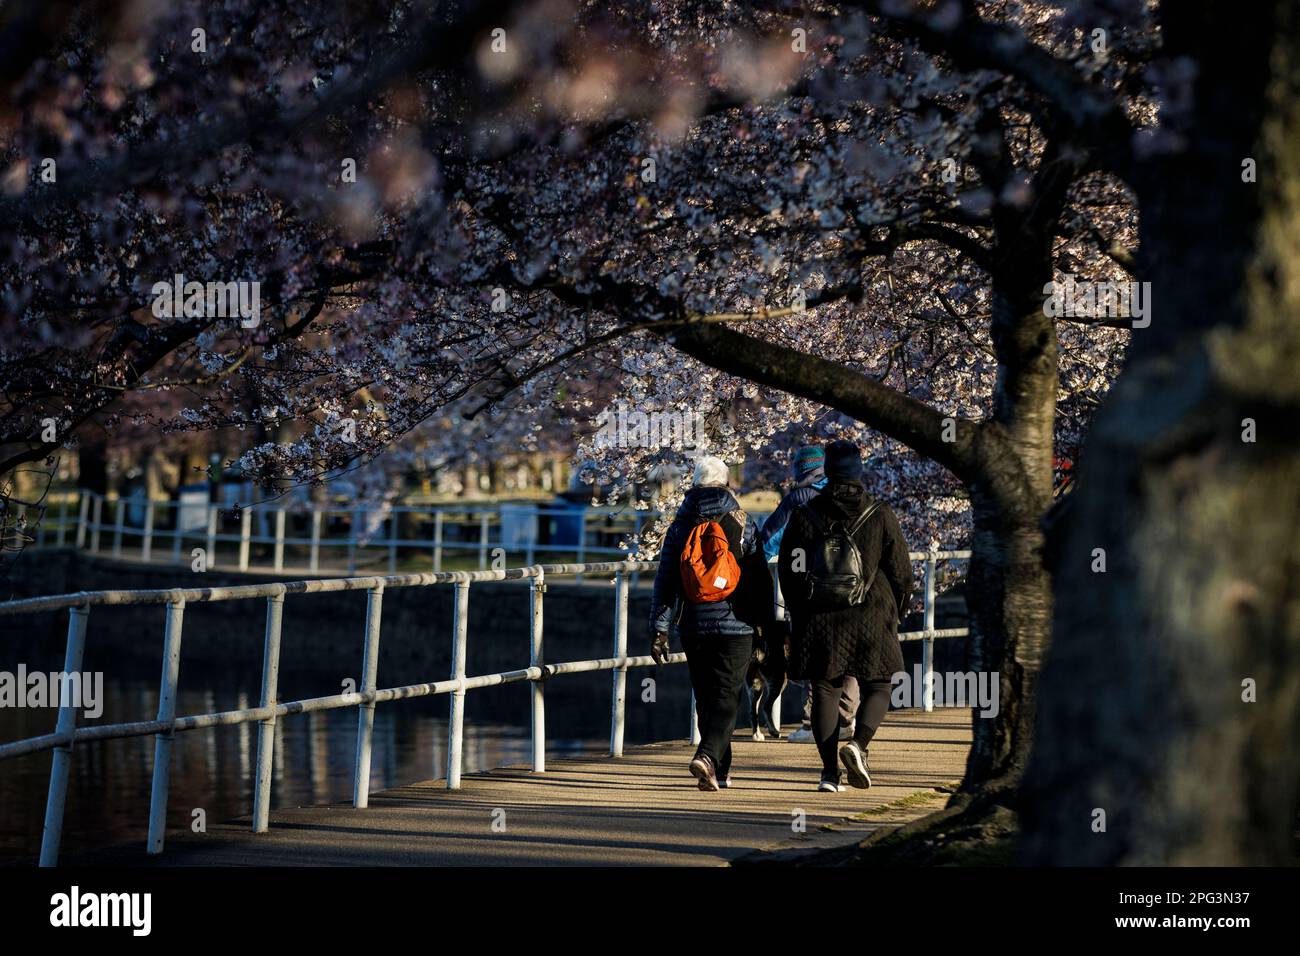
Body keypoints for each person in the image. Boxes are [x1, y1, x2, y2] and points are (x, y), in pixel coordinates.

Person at [778, 439, 913, 792]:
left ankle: (827, 773)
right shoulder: (879, 512)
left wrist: (797, 610)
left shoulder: (805, 514)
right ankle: (858, 745)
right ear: (858, 470)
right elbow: (901, 571)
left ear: (828, 470)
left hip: (820, 616)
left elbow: (789, 569)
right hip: (871, 613)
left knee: (825, 689)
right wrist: (899, 608)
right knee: (880, 683)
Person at [649, 455, 758, 791]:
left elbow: (665, 581)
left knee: (706, 696)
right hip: (736, 623)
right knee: (728, 695)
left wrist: (660, 627)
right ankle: (709, 757)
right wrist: (766, 621)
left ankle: (719, 772)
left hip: (694, 622)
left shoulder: (680, 526)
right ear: (726, 484)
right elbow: (757, 577)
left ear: (694, 485)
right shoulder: (742, 522)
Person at [757, 445, 859, 743]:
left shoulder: (799, 499)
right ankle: (845, 720)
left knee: (816, 654)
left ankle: (811, 722)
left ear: (800, 470)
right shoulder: (848, 496)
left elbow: (769, 541)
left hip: (810, 591)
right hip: (850, 590)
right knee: (848, 656)